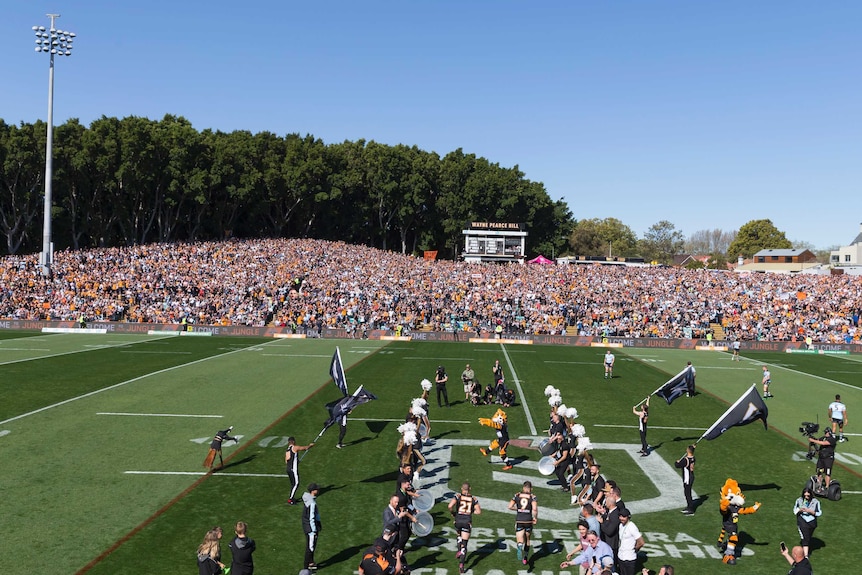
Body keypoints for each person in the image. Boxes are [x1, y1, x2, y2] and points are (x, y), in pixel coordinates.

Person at [448, 481, 481, 574]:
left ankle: (459, 547)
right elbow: (478, 512)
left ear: (461, 488)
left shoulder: (458, 496)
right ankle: (461, 564)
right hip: (467, 521)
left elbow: (450, 506)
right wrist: (470, 511)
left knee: (459, 535)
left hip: (458, 520)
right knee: (465, 544)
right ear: (470, 489)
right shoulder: (474, 499)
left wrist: (453, 513)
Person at [508, 480, 538, 565]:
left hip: (519, 520)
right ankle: (525, 557)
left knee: (520, 539)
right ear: (531, 488)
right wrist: (535, 518)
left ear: (523, 487)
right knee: (527, 539)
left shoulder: (517, 495)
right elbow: (535, 509)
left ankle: (519, 546)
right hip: (528, 520)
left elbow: (510, 506)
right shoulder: (533, 497)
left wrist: (518, 509)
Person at [793, 486, 821, 558]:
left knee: (808, 537)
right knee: (805, 538)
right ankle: (805, 556)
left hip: (812, 522)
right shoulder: (799, 500)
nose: (806, 497)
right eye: (805, 496)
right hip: (802, 520)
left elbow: (819, 513)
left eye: (808, 496)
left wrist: (811, 511)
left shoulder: (816, 502)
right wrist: (800, 510)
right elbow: (794, 510)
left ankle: (806, 549)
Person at [286, 436, 315, 505]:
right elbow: (304, 448)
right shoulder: (294, 447)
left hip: (288, 469)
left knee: (293, 484)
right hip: (293, 469)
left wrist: (296, 461)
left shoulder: (287, 450)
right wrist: (310, 446)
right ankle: (291, 499)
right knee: (296, 483)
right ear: (293, 442)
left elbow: (287, 460)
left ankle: (291, 498)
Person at [616, 507, 644, 575]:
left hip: (629, 558)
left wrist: (635, 549)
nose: (621, 518)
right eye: (620, 516)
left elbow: (641, 542)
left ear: (628, 517)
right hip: (621, 556)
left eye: (624, 517)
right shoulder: (621, 525)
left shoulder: (632, 527)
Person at [302, 483, 322, 572]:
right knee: (310, 548)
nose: (318, 490)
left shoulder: (308, 499)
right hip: (311, 529)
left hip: (307, 527)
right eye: (317, 489)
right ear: (313, 491)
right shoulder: (312, 503)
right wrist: (313, 531)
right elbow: (311, 518)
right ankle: (306, 568)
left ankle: (311, 563)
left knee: (311, 546)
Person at [675, 444, 696, 515]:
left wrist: (677, 462)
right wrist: (693, 447)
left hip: (687, 478)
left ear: (688, 450)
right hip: (691, 476)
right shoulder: (693, 458)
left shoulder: (685, 460)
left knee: (687, 493)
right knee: (687, 492)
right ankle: (689, 506)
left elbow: (677, 465)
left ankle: (691, 509)